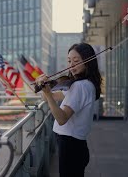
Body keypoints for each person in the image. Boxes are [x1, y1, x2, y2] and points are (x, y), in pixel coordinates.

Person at [36, 43, 102, 177]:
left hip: (70, 147)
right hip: (77, 146)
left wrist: (48, 93)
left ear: (87, 61)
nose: (71, 65)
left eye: (76, 61)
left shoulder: (79, 86)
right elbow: (52, 96)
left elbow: (61, 119)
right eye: (69, 61)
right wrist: (42, 87)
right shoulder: (87, 84)